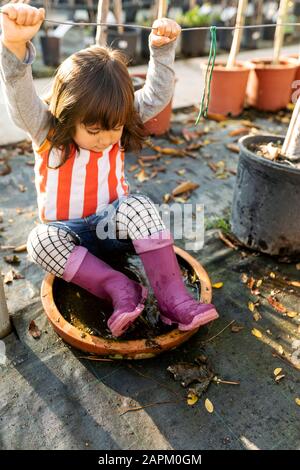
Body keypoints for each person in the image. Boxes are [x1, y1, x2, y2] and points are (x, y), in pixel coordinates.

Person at [0, 2, 218, 337]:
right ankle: (120, 288)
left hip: (113, 232)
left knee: (139, 206)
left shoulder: (116, 122)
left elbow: (156, 96)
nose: (105, 139)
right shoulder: (47, 132)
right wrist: (14, 45)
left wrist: (161, 51)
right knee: (38, 241)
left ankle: (175, 302)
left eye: (114, 128)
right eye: (94, 129)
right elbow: (20, 96)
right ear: (68, 114)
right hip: (71, 241)